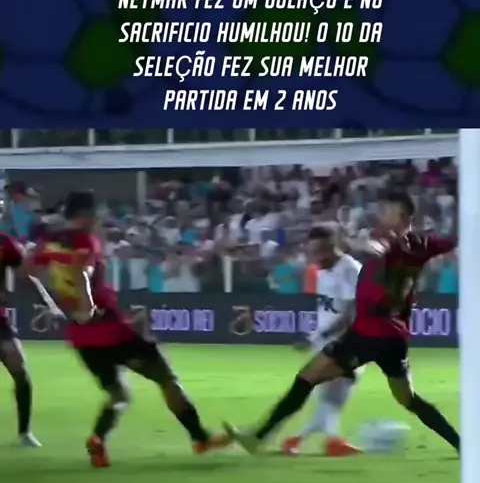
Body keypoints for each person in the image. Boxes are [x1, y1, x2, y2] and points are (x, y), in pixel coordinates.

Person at [224, 192, 460, 456]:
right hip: (392, 338)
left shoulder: (396, 245)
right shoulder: (416, 243)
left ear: (403, 217)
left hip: (369, 334)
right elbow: (452, 240)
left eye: (388, 211)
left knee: (306, 379)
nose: (382, 215)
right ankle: (462, 444)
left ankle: (259, 437)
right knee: (408, 399)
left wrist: (364, 243)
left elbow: (381, 249)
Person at [27, 190, 224, 467]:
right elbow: (83, 274)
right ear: (85, 214)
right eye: (94, 215)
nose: (97, 220)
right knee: (166, 378)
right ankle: (200, 437)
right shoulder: (85, 241)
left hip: (81, 338)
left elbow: (28, 272)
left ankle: (98, 439)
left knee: (118, 395)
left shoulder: (47, 242)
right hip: (109, 329)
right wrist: (87, 306)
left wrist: (51, 304)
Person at [281, 226, 363, 457]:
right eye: (313, 252)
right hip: (333, 343)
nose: (316, 257)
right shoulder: (322, 271)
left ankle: (298, 440)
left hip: (344, 339)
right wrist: (317, 337)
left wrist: (315, 337)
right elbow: (333, 312)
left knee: (332, 399)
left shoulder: (350, 270)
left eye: (321, 251)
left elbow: (351, 314)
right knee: (334, 397)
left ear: (334, 246)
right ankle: (332, 441)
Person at [0, 231, 60, 447]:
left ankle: (25, 432)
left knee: (20, 370)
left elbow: (26, 276)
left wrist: (49, 304)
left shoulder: (6, 244)